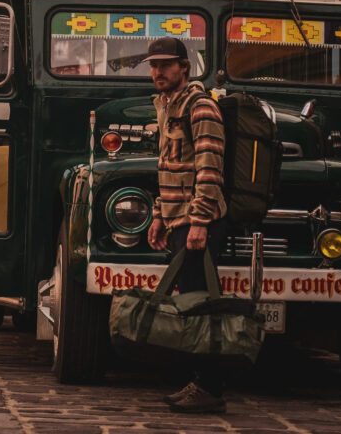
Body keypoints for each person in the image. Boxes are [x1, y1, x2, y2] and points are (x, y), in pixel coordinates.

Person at [143, 37, 229, 414]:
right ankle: (197, 382)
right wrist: (161, 214)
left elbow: (210, 166)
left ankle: (209, 387)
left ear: (183, 67)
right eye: (153, 65)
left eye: (166, 65)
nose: (158, 72)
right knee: (190, 301)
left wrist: (199, 221)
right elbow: (169, 165)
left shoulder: (200, 105)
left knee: (200, 305)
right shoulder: (167, 106)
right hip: (179, 218)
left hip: (199, 221)